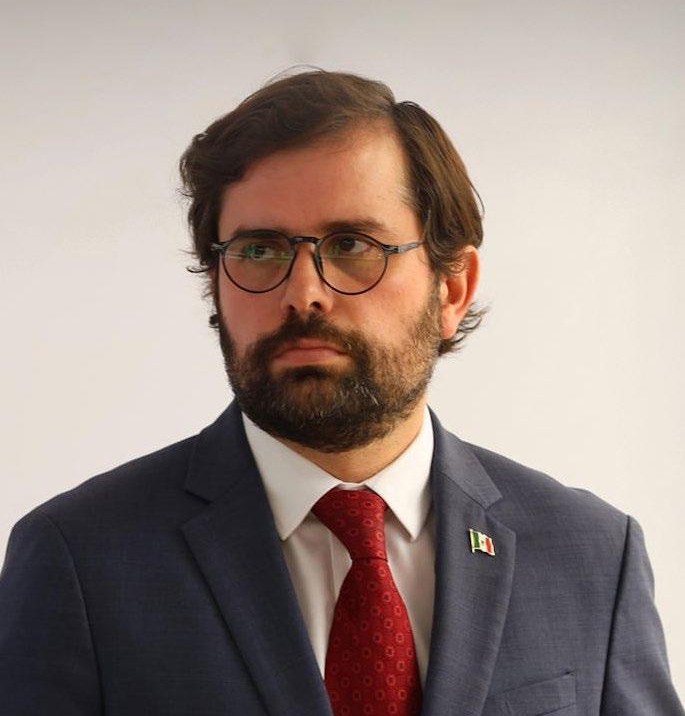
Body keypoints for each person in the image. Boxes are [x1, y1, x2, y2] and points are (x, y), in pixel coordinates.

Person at [0, 69, 682, 716]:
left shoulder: (592, 555)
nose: (303, 293)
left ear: (452, 289)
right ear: (216, 284)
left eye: (353, 244)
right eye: (259, 250)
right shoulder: (79, 560)